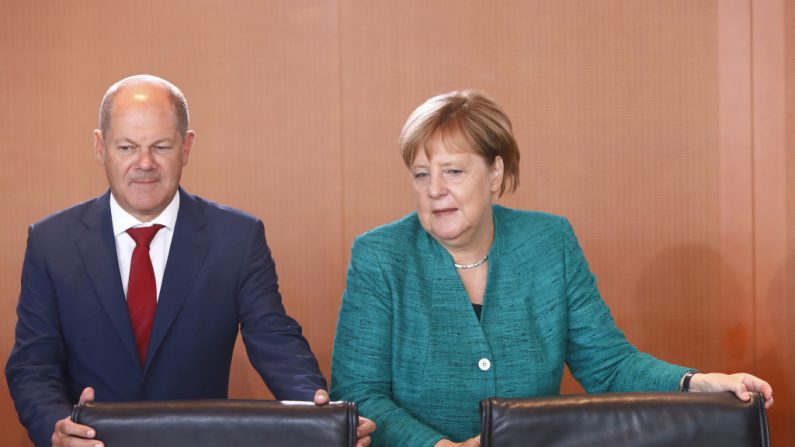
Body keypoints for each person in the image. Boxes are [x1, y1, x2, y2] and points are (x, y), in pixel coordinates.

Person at [330, 90, 773, 447]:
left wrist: (693, 383)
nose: (435, 190)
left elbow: (609, 365)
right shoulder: (380, 255)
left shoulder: (549, 242)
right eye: (421, 175)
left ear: (496, 173)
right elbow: (358, 393)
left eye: (453, 171)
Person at [5, 74, 374, 447]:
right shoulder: (52, 242)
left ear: (187, 147)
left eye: (161, 146)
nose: (144, 163)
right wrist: (56, 428)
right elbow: (33, 365)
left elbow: (274, 340)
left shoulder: (237, 238)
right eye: (127, 147)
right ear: (101, 147)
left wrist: (319, 415)